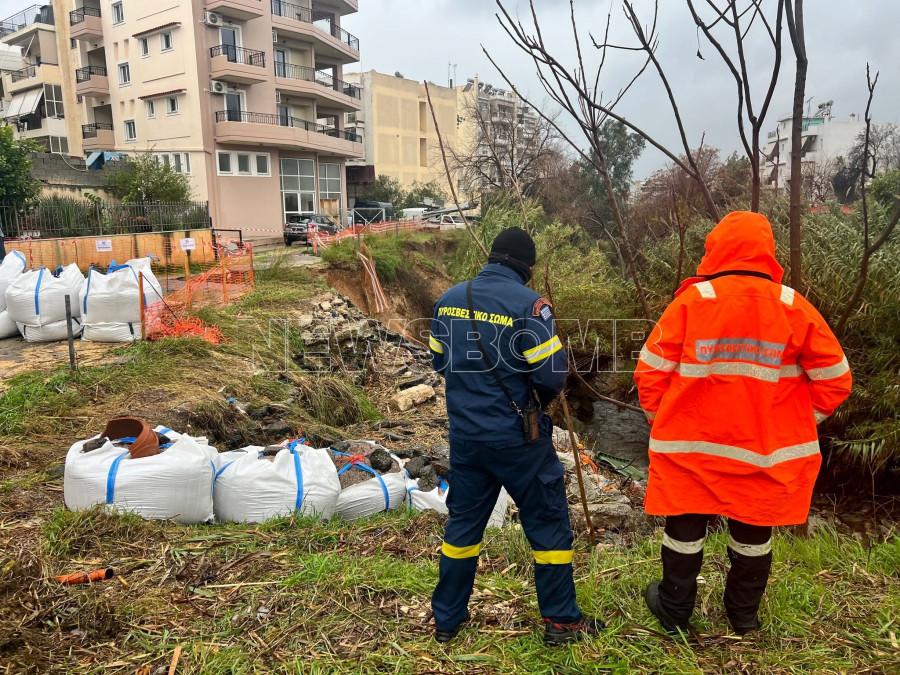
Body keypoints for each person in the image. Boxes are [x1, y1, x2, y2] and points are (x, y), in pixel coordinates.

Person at [634, 211, 852, 635]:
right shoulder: (794, 306)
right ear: (767, 253)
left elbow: (650, 373)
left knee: (684, 529)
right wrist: (797, 423)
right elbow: (835, 379)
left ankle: (675, 608)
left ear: (715, 249)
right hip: (763, 451)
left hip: (690, 449)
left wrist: (664, 421)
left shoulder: (693, 303)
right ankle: (743, 616)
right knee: (753, 534)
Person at [428, 227, 604, 646]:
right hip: (518, 440)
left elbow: (439, 362)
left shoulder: (448, 299)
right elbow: (551, 376)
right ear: (527, 267)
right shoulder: (530, 306)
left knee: (463, 528)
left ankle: (447, 621)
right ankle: (561, 623)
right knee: (548, 526)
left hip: (466, 439)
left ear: (492, 257)